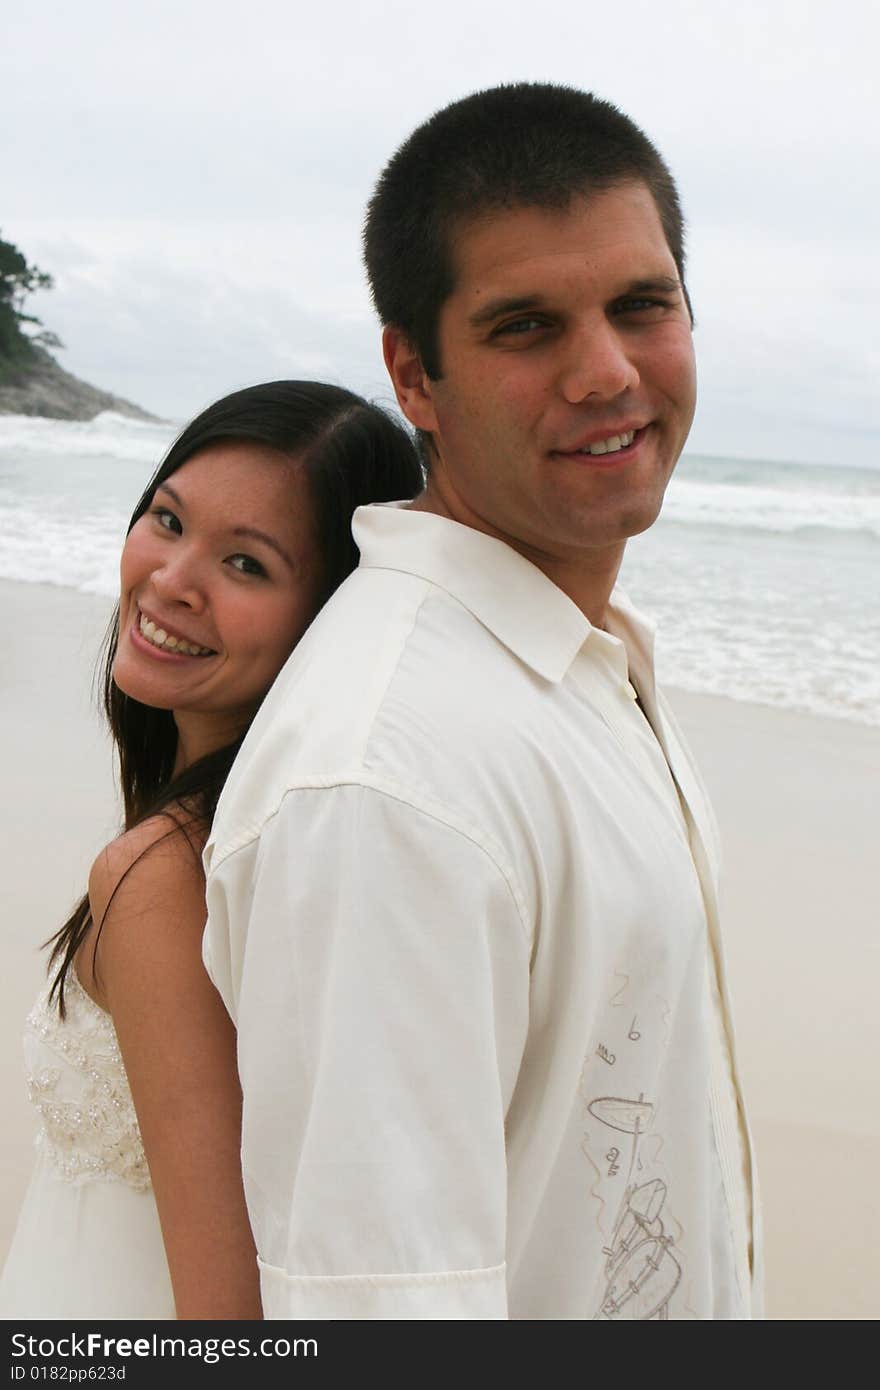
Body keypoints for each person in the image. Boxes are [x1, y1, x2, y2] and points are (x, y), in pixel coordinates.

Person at [203, 85, 762, 1320]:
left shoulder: (577, 664)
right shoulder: (388, 777)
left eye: (641, 305)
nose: (606, 370)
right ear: (415, 374)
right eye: (526, 326)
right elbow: (379, 1303)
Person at [0, 380, 423, 1320]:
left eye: (245, 564)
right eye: (166, 518)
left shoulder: (164, 877)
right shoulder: (279, 844)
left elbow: (226, 1318)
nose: (171, 578)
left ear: (328, 619)